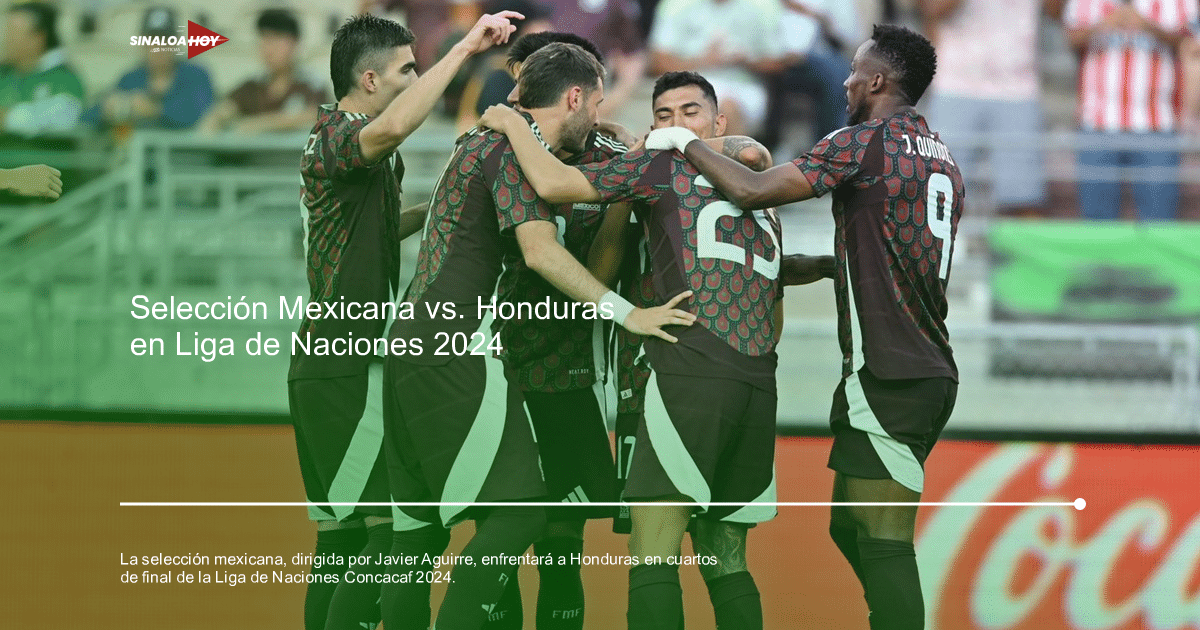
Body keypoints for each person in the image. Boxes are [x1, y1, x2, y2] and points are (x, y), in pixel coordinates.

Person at [646, 24, 963, 630]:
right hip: (915, 362)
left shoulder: (862, 141)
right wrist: (826, 265)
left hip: (893, 369)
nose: (844, 80)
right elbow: (895, 242)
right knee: (847, 523)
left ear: (876, 81)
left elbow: (753, 188)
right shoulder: (939, 151)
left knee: (884, 539)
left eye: (854, 70)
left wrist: (680, 139)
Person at [381, 42, 693, 630]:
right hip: (461, 346)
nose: (597, 118)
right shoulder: (511, 146)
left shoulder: (486, 138)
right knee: (522, 511)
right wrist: (628, 313)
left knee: (416, 536)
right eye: (595, 104)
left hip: (410, 342)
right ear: (574, 97)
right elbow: (539, 249)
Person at [478, 70, 786, 630]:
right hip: (756, 379)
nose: (674, 126)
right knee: (724, 558)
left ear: (718, 122)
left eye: (690, 113)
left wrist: (509, 122)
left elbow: (552, 185)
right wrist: (628, 190)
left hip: (683, 370)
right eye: (663, 116)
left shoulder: (668, 163)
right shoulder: (762, 200)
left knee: (653, 553)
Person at [290, 11, 523, 630]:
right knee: (376, 540)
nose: (416, 78)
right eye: (406, 69)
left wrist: (446, 207)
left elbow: (369, 232)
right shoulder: (340, 134)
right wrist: (467, 46)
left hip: (336, 363)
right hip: (342, 362)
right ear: (369, 80)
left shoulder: (358, 154)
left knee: (344, 543)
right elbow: (394, 127)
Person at [919, 0, 1059, 216]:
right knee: (940, 194)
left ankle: (1016, 250)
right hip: (955, 84)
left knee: (1024, 199)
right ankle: (950, 250)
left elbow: (1057, 12)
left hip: (1019, 87)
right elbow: (933, 8)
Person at [1063, 0, 1199, 220]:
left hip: (1157, 122)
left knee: (1159, 222)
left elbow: (1190, 43)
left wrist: (1148, 26)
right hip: (1097, 121)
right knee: (1098, 224)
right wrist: (1103, 25)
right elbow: (1070, 37)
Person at [647, 0, 790, 136]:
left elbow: (778, 63)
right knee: (695, 104)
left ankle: (735, 160)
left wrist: (746, 60)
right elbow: (657, 63)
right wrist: (704, 60)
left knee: (726, 107)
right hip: (689, 82)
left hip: (745, 86)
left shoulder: (762, 6)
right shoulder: (677, 4)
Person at [198, 9, 328, 134]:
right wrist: (213, 122)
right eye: (264, 40)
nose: (269, 49)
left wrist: (260, 124)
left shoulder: (311, 84)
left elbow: (313, 115)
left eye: (277, 40)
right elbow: (223, 111)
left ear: (295, 43)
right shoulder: (252, 86)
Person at [88, 6, 214, 130]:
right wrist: (106, 110)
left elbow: (204, 113)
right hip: (138, 149)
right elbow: (89, 116)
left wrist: (156, 110)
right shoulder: (131, 79)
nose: (158, 47)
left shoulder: (195, 76)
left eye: (165, 40)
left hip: (186, 150)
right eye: (152, 40)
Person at [0, 2, 84, 136]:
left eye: (13, 33)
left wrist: (8, 118)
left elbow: (63, 119)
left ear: (38, 38)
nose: (6, 40)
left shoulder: (63, 79)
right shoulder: (4, 73)